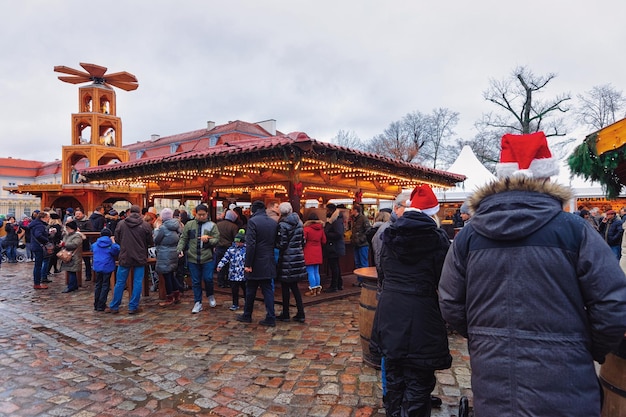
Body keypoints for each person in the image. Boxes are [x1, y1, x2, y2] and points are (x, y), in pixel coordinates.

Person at [439, 132, 626, 417]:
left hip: (493, 380)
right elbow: (612, 304)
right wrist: (586, 347)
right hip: (567, 384)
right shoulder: (575, 230)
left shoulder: (469, 236)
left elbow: (450, 302)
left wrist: (482, 335)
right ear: (547, 179)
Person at [370, 184, 452, 417]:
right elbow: (444, 280)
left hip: (390, 308)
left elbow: (382, 272)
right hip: (422, 311)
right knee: (419, 377)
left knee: (394, 373)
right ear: (432, 214)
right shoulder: (437, 239)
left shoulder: (388, 235)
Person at [236, 200, 278, 327]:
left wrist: (248, 264)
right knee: (268, 290)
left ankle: (247, 314)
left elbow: (251, 245)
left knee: (251, 289)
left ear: (253, 210)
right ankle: (271, 316)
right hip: (268, 259)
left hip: (255, 261)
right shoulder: (273, 222)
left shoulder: (253, 222)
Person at [107, 205, 154, 314]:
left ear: (129, 213)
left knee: (120, 282)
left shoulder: (121, 224)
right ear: (140, 213)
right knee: (138, 282)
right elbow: (150, 242)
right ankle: (133, 306)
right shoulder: (145, 225)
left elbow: (117, 239)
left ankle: (114, 306)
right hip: (140, 256)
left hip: (125, 256)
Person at [176, 204, 220, 314]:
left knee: (208, 278)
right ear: (196, 214)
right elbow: (184, 238)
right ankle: (198, 302)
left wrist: (208, 241)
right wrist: (180, 249)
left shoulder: (212, 225)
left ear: (207, 214)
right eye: (199, 214)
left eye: (203, 215)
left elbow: (217, 239)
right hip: (193, 257)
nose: (201, 217)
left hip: (207, 257)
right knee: (195, 281)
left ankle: (210, 294)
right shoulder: (189, 225)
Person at [275, 202, 307, 323]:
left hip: (287, 258)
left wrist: (275, 244)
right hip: (298, 257)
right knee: (294, 287)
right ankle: (300, 312)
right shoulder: (299, 223)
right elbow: (303, 241)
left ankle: (286, 313)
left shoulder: (283, 225)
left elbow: (282, 243)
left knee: (285, 287)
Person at [154, 208, 182, 307]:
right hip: (174, 252)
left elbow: (156, 240)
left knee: (167, 276)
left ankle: (169, 297)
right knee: (171, 274)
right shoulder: (176, 226)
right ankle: (176, 294)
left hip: (164, 253)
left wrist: (156, 230)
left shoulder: (163, 228)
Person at [216, 229, 247, 311]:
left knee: (246, 289)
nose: (237, 243)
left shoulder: (246, 249)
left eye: (239, 242)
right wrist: (220, 265)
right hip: (233, 273)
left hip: (243, 274)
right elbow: (225, 258)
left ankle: (248, 303)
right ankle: (235, 304)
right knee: (234, 291)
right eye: (236, 242)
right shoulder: (231, 249)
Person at [92, 228, 120, 311]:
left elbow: (92, 249)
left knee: (98, 285)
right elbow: (117, 250)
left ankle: (96, 304)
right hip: (107, 266)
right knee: (105, 285)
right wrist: (114, 242)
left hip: (97, 266)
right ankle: (101, 304)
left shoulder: (95, 244)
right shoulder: (111, 245)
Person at [323, 203, 346, 293]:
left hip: (334, 247)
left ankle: (334, 286)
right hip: (334, 246)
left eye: (327, 210)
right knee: (335, 266)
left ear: (331, 210)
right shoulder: (334, 219)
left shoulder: (336, 220)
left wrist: (326, 234)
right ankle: (339, 284)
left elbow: (338, 233)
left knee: (334, 267)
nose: (326, 212)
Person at [303, 212, 326, 296]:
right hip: (318, 251)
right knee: (316, 271)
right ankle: (317, 289)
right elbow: (324, 241)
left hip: (309, 251)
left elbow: (303, 240)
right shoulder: (321, 229)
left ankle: (313, 290)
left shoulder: (306, 229)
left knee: (310, 271)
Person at [215, 209, 240, 288]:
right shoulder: (234, 227)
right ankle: (228, 281)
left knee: (220, 265)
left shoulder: (218, 225)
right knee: (229, 266)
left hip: (219, 247)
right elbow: (236, 239)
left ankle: (220, 281)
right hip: (229, 248)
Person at [59, 220, 84, 293]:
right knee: (70, 271)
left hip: (73, 256)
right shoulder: (67, 235)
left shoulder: (77, 236)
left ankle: (71, 286)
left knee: (72, 271)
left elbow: (75, 244)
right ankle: (74, 285)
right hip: (68, 255)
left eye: (68, 228)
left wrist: (64, 244)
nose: (67, 229)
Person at [29, 211, 51, 290]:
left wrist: (48, 234)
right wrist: (46, 241)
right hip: (39, 247)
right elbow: (38, 235)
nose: (49, 219)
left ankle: (37, 282)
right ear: (43, 218)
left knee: (37, 265)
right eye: (48, 217)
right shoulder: (40, 225)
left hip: (35, 246)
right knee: (38, 266)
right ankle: (37, 283)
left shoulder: (35, 224)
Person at [350, 204, 371, 285]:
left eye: (352, 210)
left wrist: (360, 239)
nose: (351, 211)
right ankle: (360, 280)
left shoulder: (363, 219)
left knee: (363, 263)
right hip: (356, 244)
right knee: (358, 263)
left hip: (363, 245)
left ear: (356, 210)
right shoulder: (355, 219)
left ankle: (364, 281)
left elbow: (368, 231)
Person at [73, 209, 93, 281]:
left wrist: (80, 231)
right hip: (75, 243)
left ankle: (88, 275)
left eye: (79, 214)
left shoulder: (87, 222)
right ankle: (74, 277)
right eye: (76, 214)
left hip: (85, 243)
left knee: (86, 260)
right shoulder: (73, 222)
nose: (77, 215)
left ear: (82, 214)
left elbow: (90, 230)